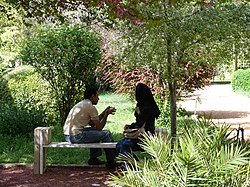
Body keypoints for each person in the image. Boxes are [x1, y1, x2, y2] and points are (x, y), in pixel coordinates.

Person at [63, 85, 118, 168]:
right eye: (97, 96)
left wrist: (103, 113)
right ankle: (111, 161)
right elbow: (99, 127)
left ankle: (93, 159)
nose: (98, 98)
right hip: (75, 136)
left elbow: (93, 124)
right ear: (93, 96)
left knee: (95, 132)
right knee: (106, 133)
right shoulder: (90, 107)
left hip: (68, 135)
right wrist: (106, 114)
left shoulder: (83, 104)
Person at [116, 83, 161, 160]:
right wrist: (131, 126)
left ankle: (129, 166)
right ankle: (133, 163)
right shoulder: (142, 105)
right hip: (142, 135)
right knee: (119, 145)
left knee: (123, 145)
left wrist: (138, 115)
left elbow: (140, 123)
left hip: (145, 137)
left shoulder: (146, 107)